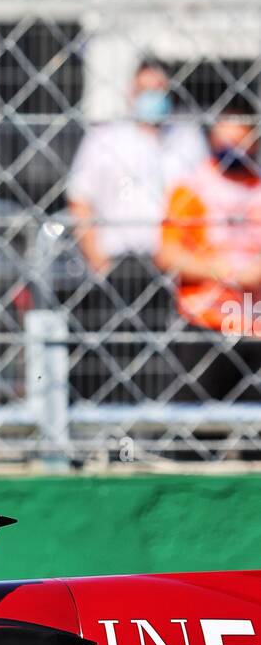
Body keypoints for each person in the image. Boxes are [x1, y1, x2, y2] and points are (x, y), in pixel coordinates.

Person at [66, 58, 207, 402]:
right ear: (131, 92)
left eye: (159, 90)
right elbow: (80, 199)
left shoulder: (187, 138)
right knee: (120, 353)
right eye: (145, 90)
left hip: (176, 265)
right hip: (122, 263)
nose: (152, 98)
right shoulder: (106, 138)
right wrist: (98, 260)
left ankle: (164, 431)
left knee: (174, 355)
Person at [159, 98, 261, 409]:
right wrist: (222, 271)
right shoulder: (193, 186)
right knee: (197, 428)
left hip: (255, 323)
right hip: (205, 320)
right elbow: (168, 253)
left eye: (240, 139)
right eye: (225, 139)